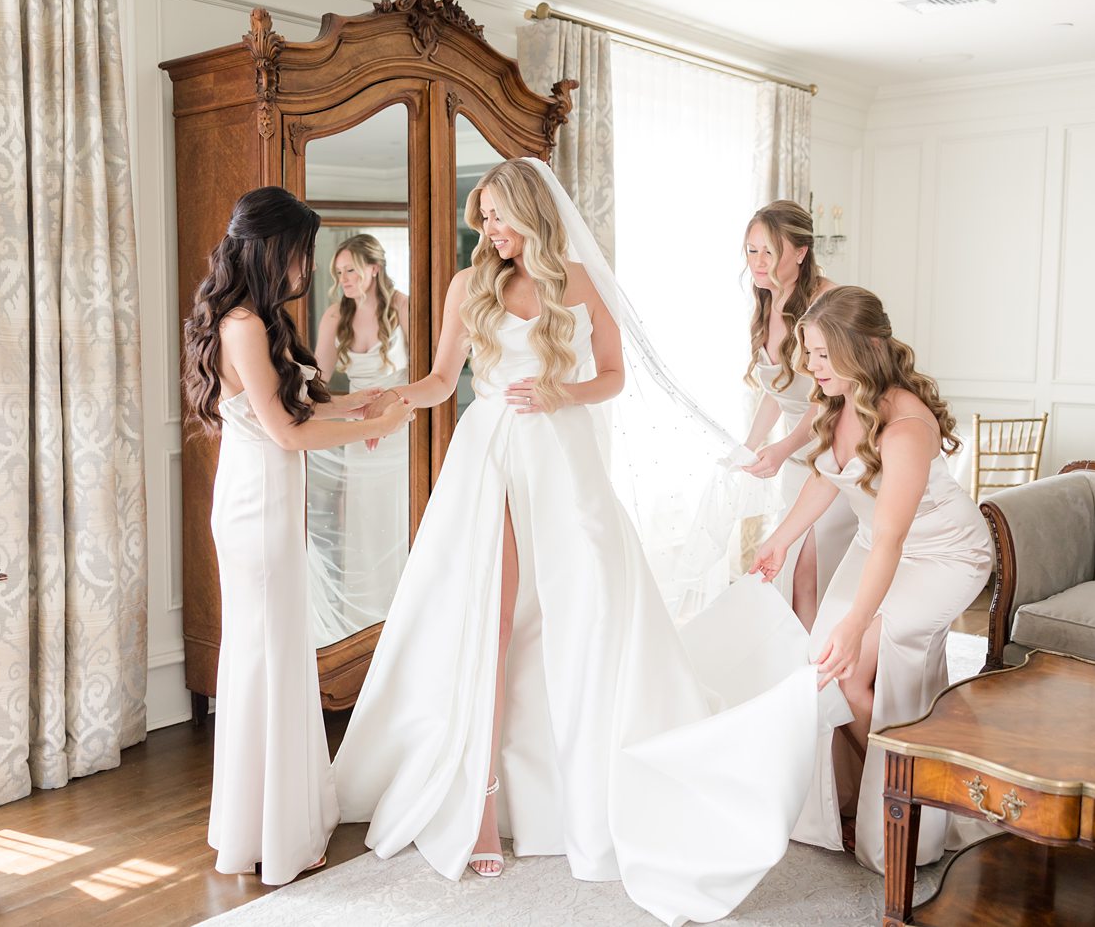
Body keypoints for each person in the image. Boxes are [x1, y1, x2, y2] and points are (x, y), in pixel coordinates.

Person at [333, 159, 846, 926]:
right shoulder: (468, 285)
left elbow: (611, 375)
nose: (491, 231)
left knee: (587, 619)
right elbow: (442, 379)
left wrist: (555, 391)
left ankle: (589, 784)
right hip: (489, 463)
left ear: (533, 211)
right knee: (493, 621)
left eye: (500, 216)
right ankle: (479, 798)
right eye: (485, 217)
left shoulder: (575, 281)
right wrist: (393, 399)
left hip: (562, 461)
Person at [181, 186, 412, 886]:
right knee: (266, 659)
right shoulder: (243, 324)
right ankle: (270, 833)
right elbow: (286, 432)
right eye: (297, 253)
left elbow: (300, 401)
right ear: (268, 248)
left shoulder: (261, 320)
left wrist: (359, 402)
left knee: (276, 656)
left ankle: (267, 824)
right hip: (256, 507)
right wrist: (372, 427)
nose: (302, 269)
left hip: (271, 501)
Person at [750, 285, 994, 873]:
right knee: (822, 667)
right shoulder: (839, 397)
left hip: (942, 554)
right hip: (876, 542)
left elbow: (894, 540)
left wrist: (858, 620)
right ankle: (862, 791)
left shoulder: (906, 426)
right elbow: (825, 477)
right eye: (808, 352)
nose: (811, 366)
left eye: (824, 355)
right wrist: (781, 540)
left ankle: (906, 802)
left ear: (865, 349)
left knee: (852, 666)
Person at [740, 201, 856, 630]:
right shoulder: (766, 302)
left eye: (769, 251)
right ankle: (800, 673)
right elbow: (779, 390)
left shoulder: (829, 300)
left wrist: (785, 445)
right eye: (751, 251)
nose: (758, 262)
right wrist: (751, 444)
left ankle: (816, 678)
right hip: (794, 462)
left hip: (835, 452)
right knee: (792, 574)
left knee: (812, 568)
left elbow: (827, 395)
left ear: (801, 252)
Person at [307, 235, 411, 641]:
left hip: (399, 428)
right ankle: (364, 623)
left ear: (374, 268)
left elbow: (426, 367)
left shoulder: (402, 306)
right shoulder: (335, 316)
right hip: (357, 433)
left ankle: (400, 617)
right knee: (363, 523)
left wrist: (390, 411)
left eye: (350, 270)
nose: (344, 279)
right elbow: (318, 379)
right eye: (339, 273)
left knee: (397, 516)